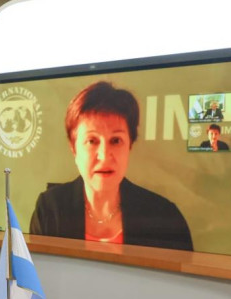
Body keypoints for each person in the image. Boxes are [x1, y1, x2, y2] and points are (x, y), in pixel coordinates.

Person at [29, 81, 193, 251]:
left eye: (115, 141)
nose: (104, 155)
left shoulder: (165, 218)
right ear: (74, 148)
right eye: (92, 141)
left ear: (130, 145)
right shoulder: (50, 210)